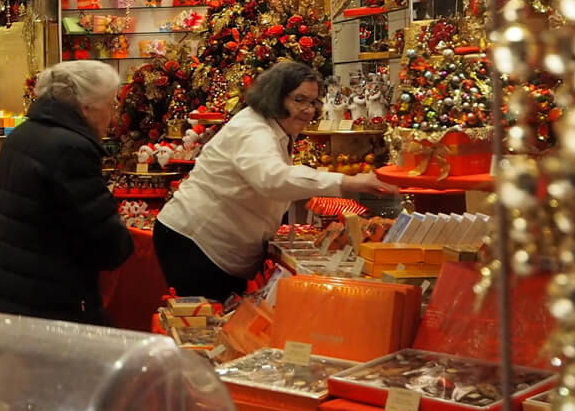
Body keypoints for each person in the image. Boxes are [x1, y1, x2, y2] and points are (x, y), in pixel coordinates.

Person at [154, 60, 395, 298]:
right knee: (208, 322)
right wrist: (349, 182)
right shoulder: (254, 130)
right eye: (299, 100)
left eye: (313, 102)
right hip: (197, 241)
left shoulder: (273, 127)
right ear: (274, 96)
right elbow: (273, 179)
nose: (309, 110)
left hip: (214, 245)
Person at [0, 60, 133, 324]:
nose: (112, 117)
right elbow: (107, 243)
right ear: (87, 107)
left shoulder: (21, 135)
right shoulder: (72, 149)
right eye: (110, 105)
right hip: (55, 301)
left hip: (9, 292)